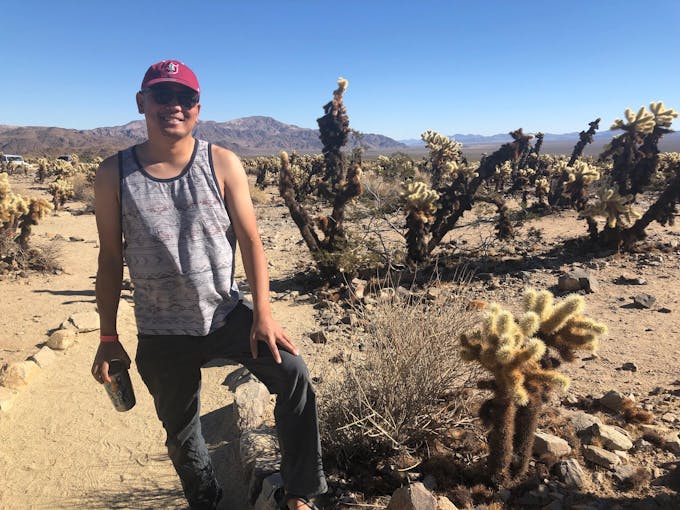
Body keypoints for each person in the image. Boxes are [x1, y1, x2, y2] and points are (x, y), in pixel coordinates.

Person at [91, 59, 327, 510]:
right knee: (181, 436)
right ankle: (207, 499)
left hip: (224, 314)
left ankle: (299, 494)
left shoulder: (221, 162)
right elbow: (109, 259)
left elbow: (252, 241)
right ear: (142, 103)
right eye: (162, 96)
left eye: (187, 98)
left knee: (293, 375)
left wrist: (264, 314)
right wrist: (107, 337)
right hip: (161, 330)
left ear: (198, 108)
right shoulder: (113, 174)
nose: (174, 106)